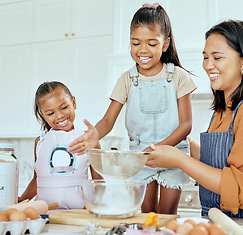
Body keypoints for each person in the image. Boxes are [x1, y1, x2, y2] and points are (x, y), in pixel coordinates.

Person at [146, 20, 243, 219]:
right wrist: (183, 142)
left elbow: (241, 188)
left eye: (217, 57)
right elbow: (217, 164)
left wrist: (179, 159)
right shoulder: (222, 110)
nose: (208, 65)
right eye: (205, 57)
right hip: (225, 222)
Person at [68, 3, 197, 214]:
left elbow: (186, 125)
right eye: (136, 42)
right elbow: (108, 120)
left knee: (166, 216)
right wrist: (95, 133)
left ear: (165, 45)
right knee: (146, 216)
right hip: (140, 158)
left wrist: (159, 149)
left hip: (174, 156)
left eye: (152, 43)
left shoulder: (178, 77)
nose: (142, 50)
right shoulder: (127, 79)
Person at [19, 81, 102, 209]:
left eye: (64, 107)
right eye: (50, 113)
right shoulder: (40, 142)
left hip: (79, 212)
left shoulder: (87, 139)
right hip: (46, 213)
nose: (59, 116)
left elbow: (99, 181)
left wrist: (90, 207)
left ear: (73, 102)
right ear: (42, 114)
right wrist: (21, 200)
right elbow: (37, 180)